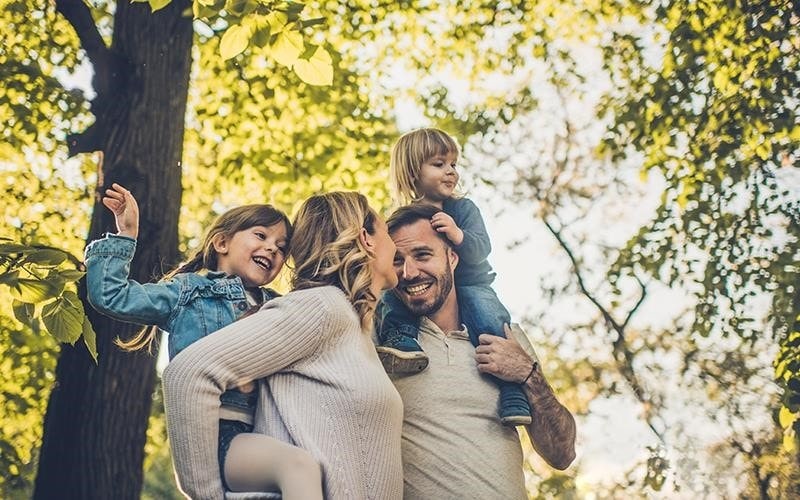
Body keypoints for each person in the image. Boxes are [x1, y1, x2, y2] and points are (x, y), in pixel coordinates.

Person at [84, 184, 322, 500]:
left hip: (267, 430)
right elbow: (112, 296)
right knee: (297, 467)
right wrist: (126, 234)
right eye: (261, 236)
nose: (272, 249)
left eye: (281, 247)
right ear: (221, 242)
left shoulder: (278, 305)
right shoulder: (188, 292)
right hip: (218, 435)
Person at [162, 192, 404, 500]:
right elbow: (187, 373)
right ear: (365, 238)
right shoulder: (321, 307)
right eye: (387, 233)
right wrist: (207, 495)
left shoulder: (353, 326)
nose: (395, 246)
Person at [385, 203, 576, 499]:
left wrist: (527, 374)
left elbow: (562, 453)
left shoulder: (505, 337)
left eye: (423, 255)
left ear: (452, 257)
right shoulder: (382, 340)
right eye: (398, 260)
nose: (409, 273)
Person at [376, 127, 531, 426]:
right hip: (425, 291)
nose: (451, 172)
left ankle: (512, 392)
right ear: (411, 172)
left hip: (470, 284)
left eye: (453, 165)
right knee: (390, 297)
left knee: (488, 318)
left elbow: (482, 248)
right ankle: (402, 340)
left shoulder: (462, 209)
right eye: (439, 164)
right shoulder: (401, 219)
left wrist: (458, 235)